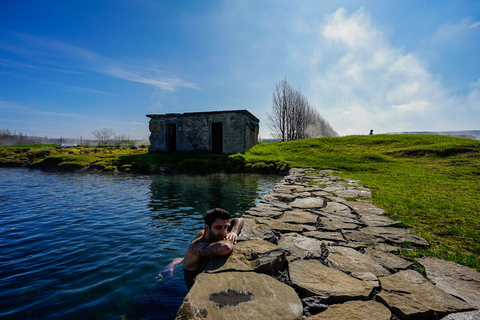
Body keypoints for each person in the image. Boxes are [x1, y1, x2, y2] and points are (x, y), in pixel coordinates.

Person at [182, 208, 244, 289]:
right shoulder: (199, 247)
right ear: (207, 228)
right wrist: (230, 239)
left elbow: (239, 220)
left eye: (225, 227)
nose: (224, 232)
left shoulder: (209, 232)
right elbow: (226, 247)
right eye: (219, 227)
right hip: (187, 281)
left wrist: (234, 232)